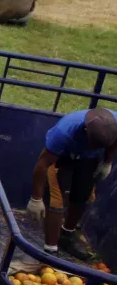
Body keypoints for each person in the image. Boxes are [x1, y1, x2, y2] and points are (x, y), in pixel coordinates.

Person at [26, 107, 117, 261]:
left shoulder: (114, 125)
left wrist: (107, 161)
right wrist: (36, 198)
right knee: (56, 201)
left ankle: (67, 234)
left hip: (88, 159)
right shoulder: (63, 132)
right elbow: (43, 164)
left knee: (82, 196)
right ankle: (50, 250)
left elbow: (115, 142)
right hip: (62, 156)